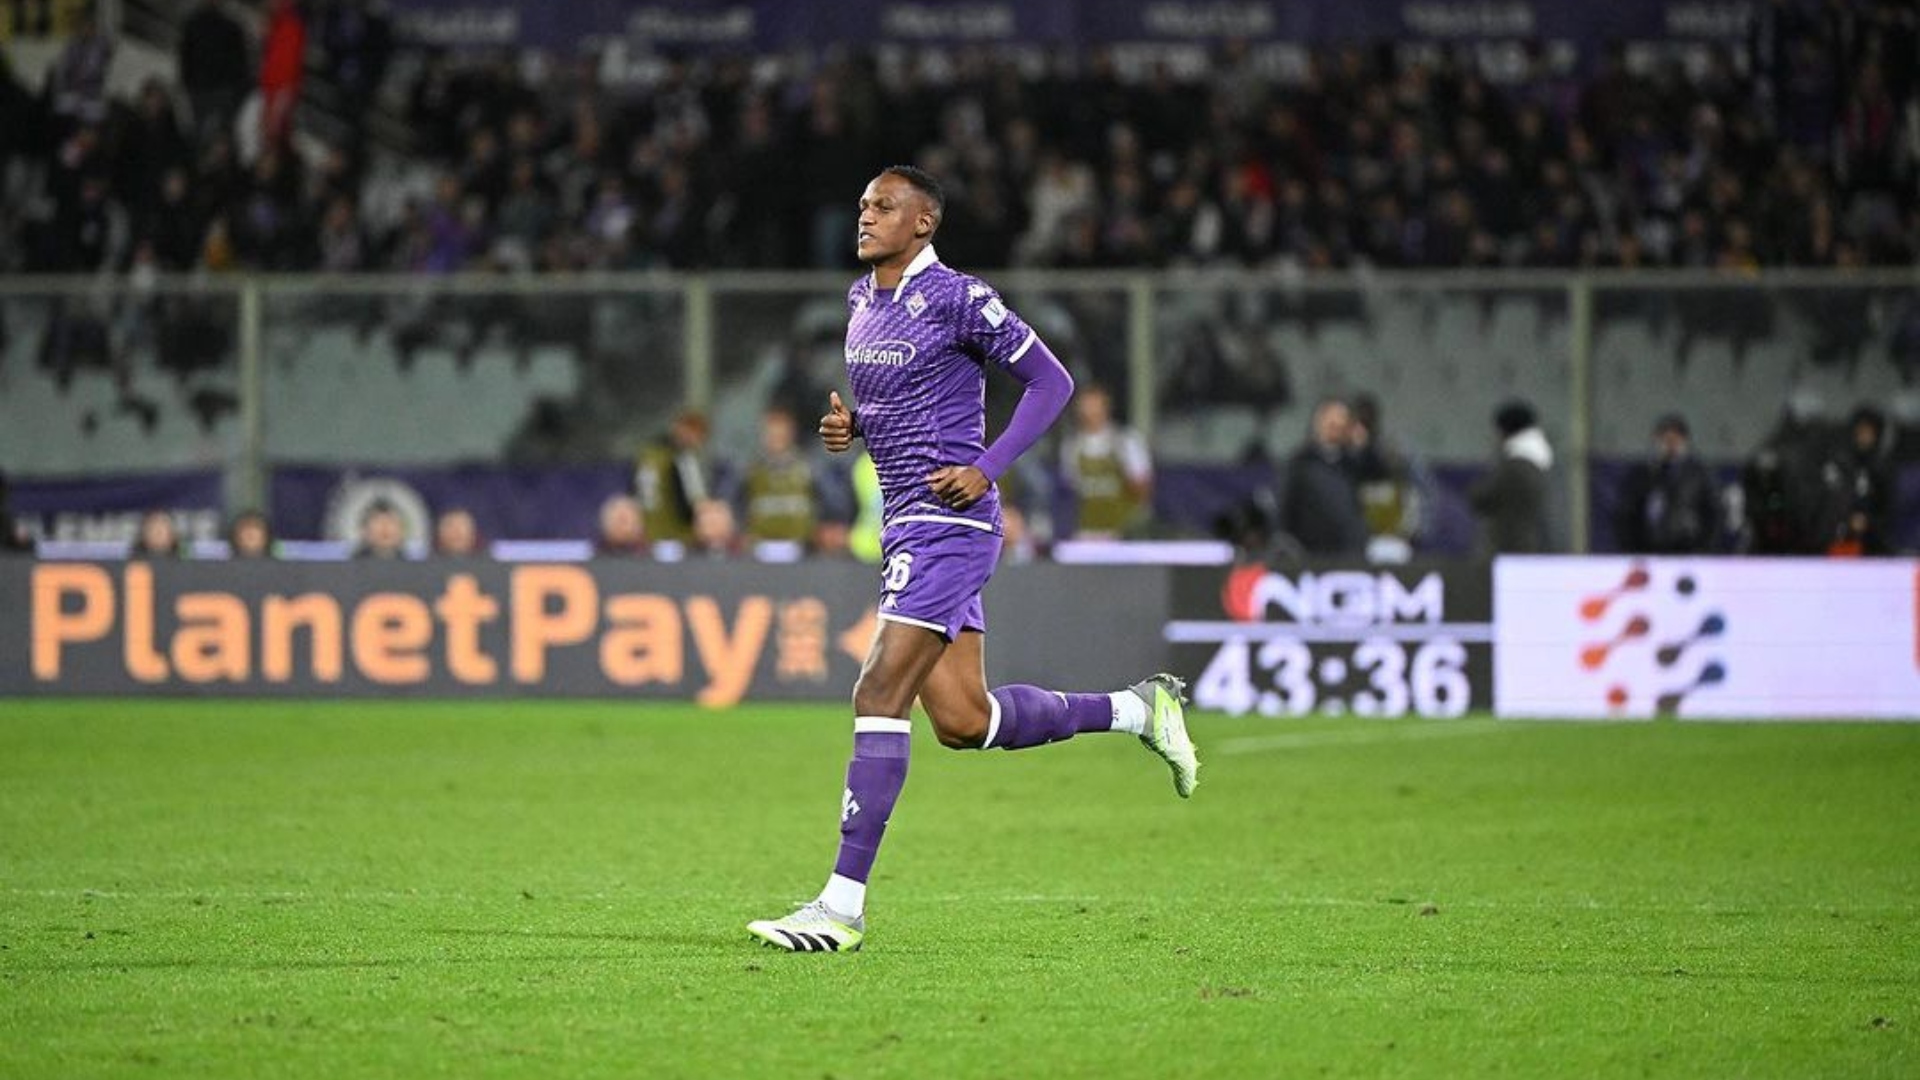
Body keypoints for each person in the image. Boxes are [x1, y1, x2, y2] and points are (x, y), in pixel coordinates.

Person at [746, 166, 1198, 955]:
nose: (865, 216)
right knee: (963, 721)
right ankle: (1138, 710)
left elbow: (1051, 382)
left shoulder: (958, 296)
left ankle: (840, 910)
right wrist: (856, 428)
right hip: (905, 524)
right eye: (862, 205)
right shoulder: (860, 301)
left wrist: (988, 468)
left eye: (884, 206)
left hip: (949, 525)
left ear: (923, 222)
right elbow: (907, 403)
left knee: (877, 691)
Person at [1615, 413, 1722, 554]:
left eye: (1675, 440)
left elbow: (1713, 513)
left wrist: (1704, 548)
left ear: (1684, 441)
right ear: (1657, 441)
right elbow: (1627, 512)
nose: (1671, 445)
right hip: (1649, 549)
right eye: (1666, 440)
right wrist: (1630, 548)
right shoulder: (1643, 473)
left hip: (1688, 549)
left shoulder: (1699, 473)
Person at [1059, 381, 1153, 539]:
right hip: (1087, 532)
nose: (1090, 411)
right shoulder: (1072, 446)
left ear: (1106, 407)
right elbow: (1071, 489)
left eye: (1094, 405)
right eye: (1086, 405)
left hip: (1123, 532)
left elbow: (1142, 486)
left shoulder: (1126, 441)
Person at [1277, 398, 1369, 557]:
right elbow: (1285, 509)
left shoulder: (1352, 464)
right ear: (1318, 423)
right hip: (1312, 553)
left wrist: (1363, 447)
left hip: (1350, 552)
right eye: (1331, 421)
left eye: (1342, 421)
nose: (1336, 425)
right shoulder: (1301, 462)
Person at [1470, 400, 1554, 554]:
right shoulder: (1537, 463)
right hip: (1527, 542)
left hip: (1508, 545)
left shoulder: (1514, 467)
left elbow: (1483, 497)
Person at [634, 410, 725, 545]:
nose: (693, 439)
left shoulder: (648, 455)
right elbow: (697, 503)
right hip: (677, 536)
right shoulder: (683, 459)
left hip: (648, 535)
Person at [741, 405, 819, 547]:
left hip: (800, 546)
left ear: (791, 434)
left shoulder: (808, 467)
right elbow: (739, 503)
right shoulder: (752, 469)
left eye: (781, 434)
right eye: (772, 434)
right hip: (760, 545)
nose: (776, 438)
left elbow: (821, 501)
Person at [1824, 405, 1893, 555]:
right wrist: (1846, 519)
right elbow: (1827, 505)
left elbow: (1888, 511)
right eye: (1860, 432)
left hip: (1873, 547)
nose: (1864, 438)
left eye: (1869, 433)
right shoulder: (1839, 465)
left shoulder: (1882, 469)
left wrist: (1868, 522)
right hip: (1837, 542)